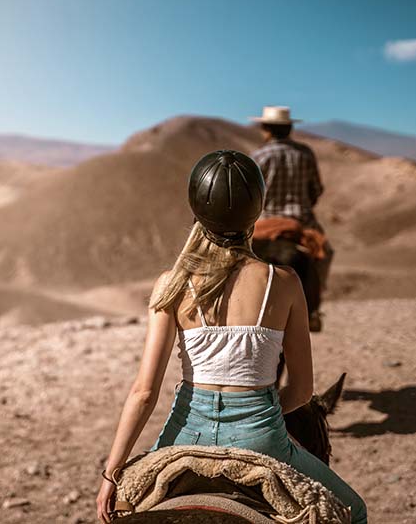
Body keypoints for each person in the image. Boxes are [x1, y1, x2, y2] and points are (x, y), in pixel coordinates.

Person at [95, 150, 366, 524]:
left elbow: (143, 392)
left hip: (185, 434)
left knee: (125, 506)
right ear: (256, 212)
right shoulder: (284, 282)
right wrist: (257, 417)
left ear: (197, 212)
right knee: (354, 511)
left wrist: (112, 472)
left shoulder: (171, 284)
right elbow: (302, 392)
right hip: (261, 437)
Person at [250, 106, 333, 331]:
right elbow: (316, 190)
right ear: (289, 128)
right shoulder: (305, 154)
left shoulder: (259, 156)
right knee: (324, 254)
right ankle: (313, 310)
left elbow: (251, 195)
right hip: (301, 222)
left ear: (266, 129)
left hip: (264, 224)